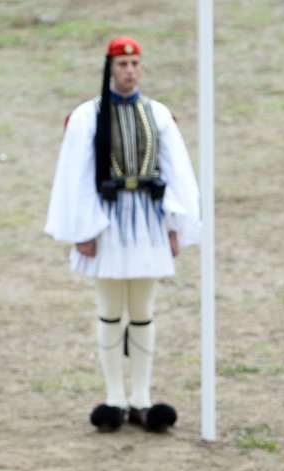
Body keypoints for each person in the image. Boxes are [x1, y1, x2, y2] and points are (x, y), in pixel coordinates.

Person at [45, 36, 201, 433]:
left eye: (135, 63)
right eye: (122, 64)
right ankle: (115, 397)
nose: (130, 71)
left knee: (144, 311)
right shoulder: (86, 116)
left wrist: (173, 225)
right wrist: (83, 228)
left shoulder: (158, 114)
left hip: (147, 220)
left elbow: (174, 169)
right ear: (109, 68)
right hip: (107, 220)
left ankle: (142, 398)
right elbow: (76, 176)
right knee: (111, 310)